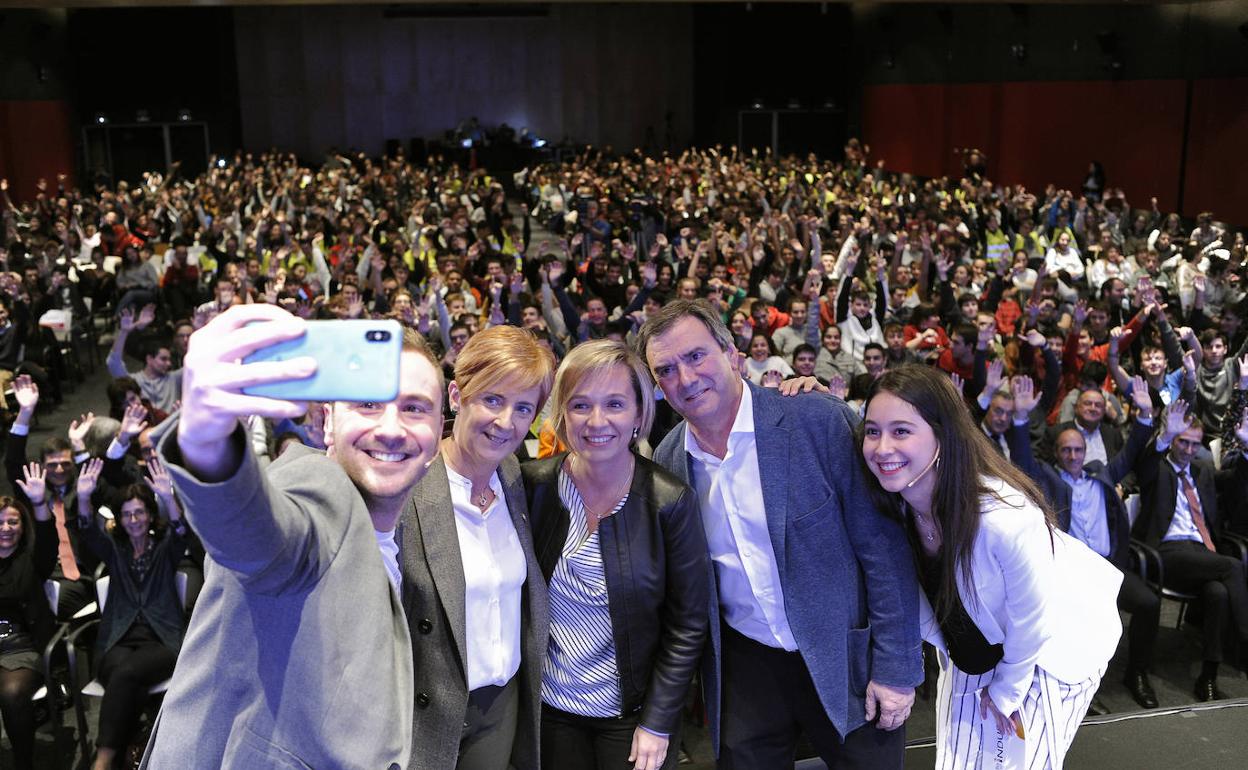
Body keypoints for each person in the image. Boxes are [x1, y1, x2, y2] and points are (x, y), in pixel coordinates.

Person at [141, 303, 444, 769]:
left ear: (438, 431)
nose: (390, 428)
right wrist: (206, 443)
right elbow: (257, 539)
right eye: (368, 403)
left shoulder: (394, 533)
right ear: (327, 422)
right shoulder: (316, 486)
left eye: (414, 409)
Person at [638, 300, 922, 769]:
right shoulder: (669, 462)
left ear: (732, 354)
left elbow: (884, 550)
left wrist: (896, 667)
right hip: (747, 669)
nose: (685, 379)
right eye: (666, 369)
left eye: (695, 356)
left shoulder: (817, 421)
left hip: (843, 658)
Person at [859, 364, 1122, 769]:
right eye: (872, 431)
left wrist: (1006, 693)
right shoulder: (895, 505)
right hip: (978, 647)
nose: (881, 447)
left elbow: (1035, 620)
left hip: (1051, 652)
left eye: (901, 431)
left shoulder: (1003, 517)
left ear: (942, 436)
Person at [521, 340, 709, 770]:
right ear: (562, 414)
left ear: (640, 414)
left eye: (615, 404)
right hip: (550, 711)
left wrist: (659, 722)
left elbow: (687, 625)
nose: (596, 421)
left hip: (632, 718)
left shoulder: (669, 500)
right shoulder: (534, 487)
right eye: (581, 405)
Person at [403, 325, 554, 770]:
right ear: (456, 395)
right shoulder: (410, 483)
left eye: (523, 408)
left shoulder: (515, 479)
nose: (506, 421)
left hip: (500, 705)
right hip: (422, 708)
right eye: (493, 399)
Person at [1007, 375, 1163, 710]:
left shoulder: (1101, 474)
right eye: (1066, 450)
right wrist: (1020, 418)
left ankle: (1136, 674)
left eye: (1078, 449)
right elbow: (1022, 461)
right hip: (1072, 572)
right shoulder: (1048, 480)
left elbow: (1133, 450)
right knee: (1083, 618)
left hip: (1108, 568)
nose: (1074, 455)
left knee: (1149, 604)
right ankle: (1080, 689)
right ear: (1057, 453)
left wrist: (1146, 417)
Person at [73, 461, 193, 770]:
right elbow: (87, 531)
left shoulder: (165, 550)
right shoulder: (115, 549)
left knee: (125, 675)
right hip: (118, 639)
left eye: (139, 512)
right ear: (119, 520)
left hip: (161, 640)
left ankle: (103, 759)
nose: (134, 519)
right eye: (126, 514)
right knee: (127, 679)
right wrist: (84, 498)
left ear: (150, 516)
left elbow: (183, 531)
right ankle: (136, 748)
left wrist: (168, 497)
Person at [1131, 401, 1248, 701]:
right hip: (1166, 553)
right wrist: (1164, 438)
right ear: (1173, 439)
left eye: (1195, 444)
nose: (1188, 449)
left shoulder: (1202, 471)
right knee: (1233, 566)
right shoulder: (1156, 468)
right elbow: (1141, 466)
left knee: (1218, 593)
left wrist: (1245, 450)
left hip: (1201, 553)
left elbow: (1235, 482)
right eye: (1183, 441)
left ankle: (1207, 677)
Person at [0, 477, 57, 770]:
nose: (6, 528)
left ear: (22, 528)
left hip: (21, 648)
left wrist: (38, 503)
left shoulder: (33, 559)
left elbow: (49, 539)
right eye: (0, 522)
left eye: (13, 522)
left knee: (11, 693)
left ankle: (24, 764)